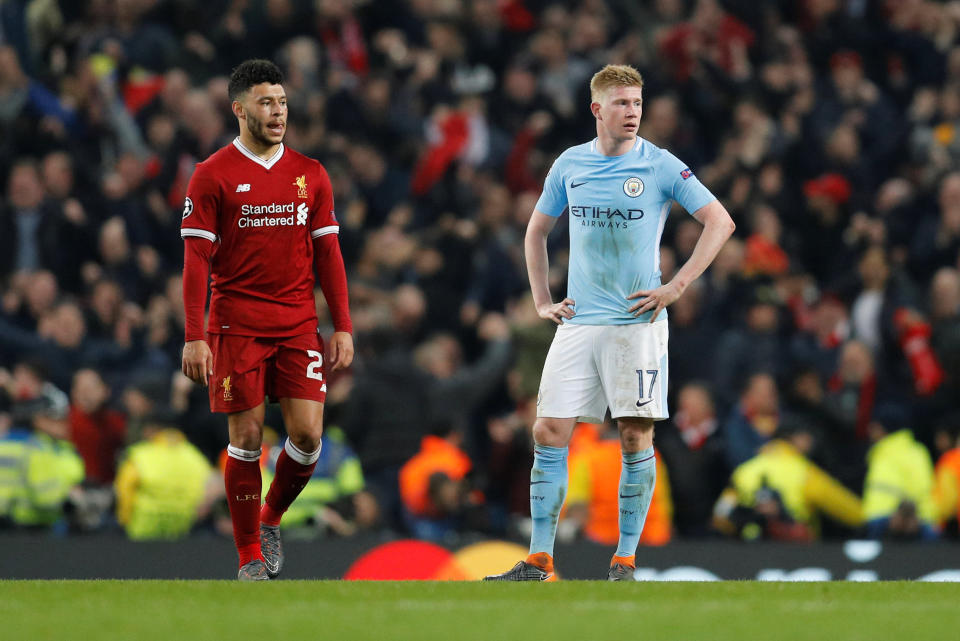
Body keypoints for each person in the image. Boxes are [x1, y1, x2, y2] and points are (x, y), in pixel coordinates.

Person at [485, 64, 734, 582]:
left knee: (633, 436)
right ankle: (538, 558)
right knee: (548, 429)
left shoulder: (661, 165)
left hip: (634, 324)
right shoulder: (570, 164)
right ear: (597, 109)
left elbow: (720, 221)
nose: (633, 112)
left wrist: (677, 286)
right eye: (622, 103)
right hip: (579, 321)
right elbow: (535, 233)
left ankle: (624, 560)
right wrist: (541, 300)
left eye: (638, 103)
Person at [180, 59, 354, 580]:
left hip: (298, 323)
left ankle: (270, 516)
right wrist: (195, 335)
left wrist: (342, 324)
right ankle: (249, 555)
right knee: (249, 437)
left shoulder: (311, 174)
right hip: (235, 326)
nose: (277, 112)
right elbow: (195, 262)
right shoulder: (212, 175)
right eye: (265, 102)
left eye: (281, 102)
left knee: (307, 437)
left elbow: (329, 254)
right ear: (239, 109)